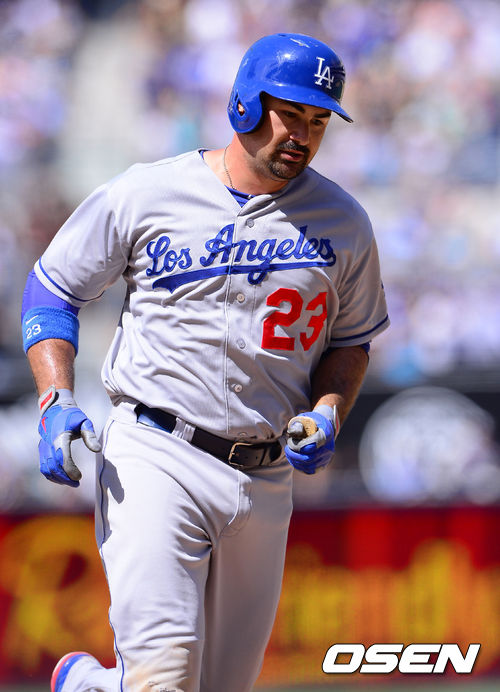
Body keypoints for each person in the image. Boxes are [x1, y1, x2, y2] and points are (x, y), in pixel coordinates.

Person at [22, 32, 389, 692]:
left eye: (318, 120)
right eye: (290, 113)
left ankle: (90, 686)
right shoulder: (149, 192)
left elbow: (351, 340)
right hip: (157, 452)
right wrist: (56, 398)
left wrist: (329, 410)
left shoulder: (344, 222)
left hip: (266, 473)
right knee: (164, 675)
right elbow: (52, 289)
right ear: (245, 102)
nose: (303, 134)